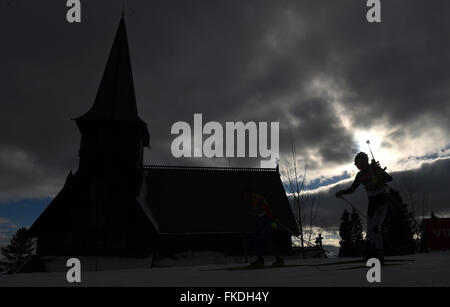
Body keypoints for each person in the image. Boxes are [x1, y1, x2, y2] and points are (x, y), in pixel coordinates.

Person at [335, 152, 393, 263]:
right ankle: (372, 253)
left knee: (375, 228)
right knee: (370, 229)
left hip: (381, 199)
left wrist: (379, 174)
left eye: (358, 163)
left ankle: (379, 254)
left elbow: (389, 178)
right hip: (372, 202)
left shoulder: (374, 169)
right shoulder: (360, 175)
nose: (357, 165)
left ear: (364, 162)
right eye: (356, 164)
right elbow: (353, 188)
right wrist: (342, 192)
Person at [244, 190, 284, 266]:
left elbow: (266, 208)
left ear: (248, 193)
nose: (245, 197)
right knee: (256, 237)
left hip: (266, 219)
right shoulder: (251, 200)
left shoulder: (257, 198)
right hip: (261, 220)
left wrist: (272, 220)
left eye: (245, 195)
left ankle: (279, 259)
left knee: (266, 239)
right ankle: (260, 260)